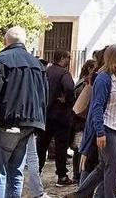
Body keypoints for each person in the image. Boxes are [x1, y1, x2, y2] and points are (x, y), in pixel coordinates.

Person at [0, 27, 48, 198]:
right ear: (24, 41)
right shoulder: (37, 64)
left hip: (3, 123)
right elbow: (44, 95)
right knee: (15, 172)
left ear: (4, 41)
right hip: (29, 124)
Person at [66, 44, 116, 198]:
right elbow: (97, 107)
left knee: (104, 165)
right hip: (107, 127)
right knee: (113, 166)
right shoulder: (103, 78)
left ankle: (79, 194)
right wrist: (100, 132)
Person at [38, 52, 76, 186]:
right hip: (61, 115)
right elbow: (70, 89)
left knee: (41, 145)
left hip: (46, 114)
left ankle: (37, 173)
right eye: (68, 58)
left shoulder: (46, 71)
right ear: (62, 58)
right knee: (61, 146)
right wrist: (68, 100)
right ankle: (62, 176)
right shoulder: (64, 73)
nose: (69, 60)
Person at [69, 59, 96, 180]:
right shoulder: (85, 83)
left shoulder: (81, 82)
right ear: (90, 69)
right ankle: (78, 175)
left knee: (78, 149)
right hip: (81, 120)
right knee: (80, 149)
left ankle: (77, 174)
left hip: (79, 120)